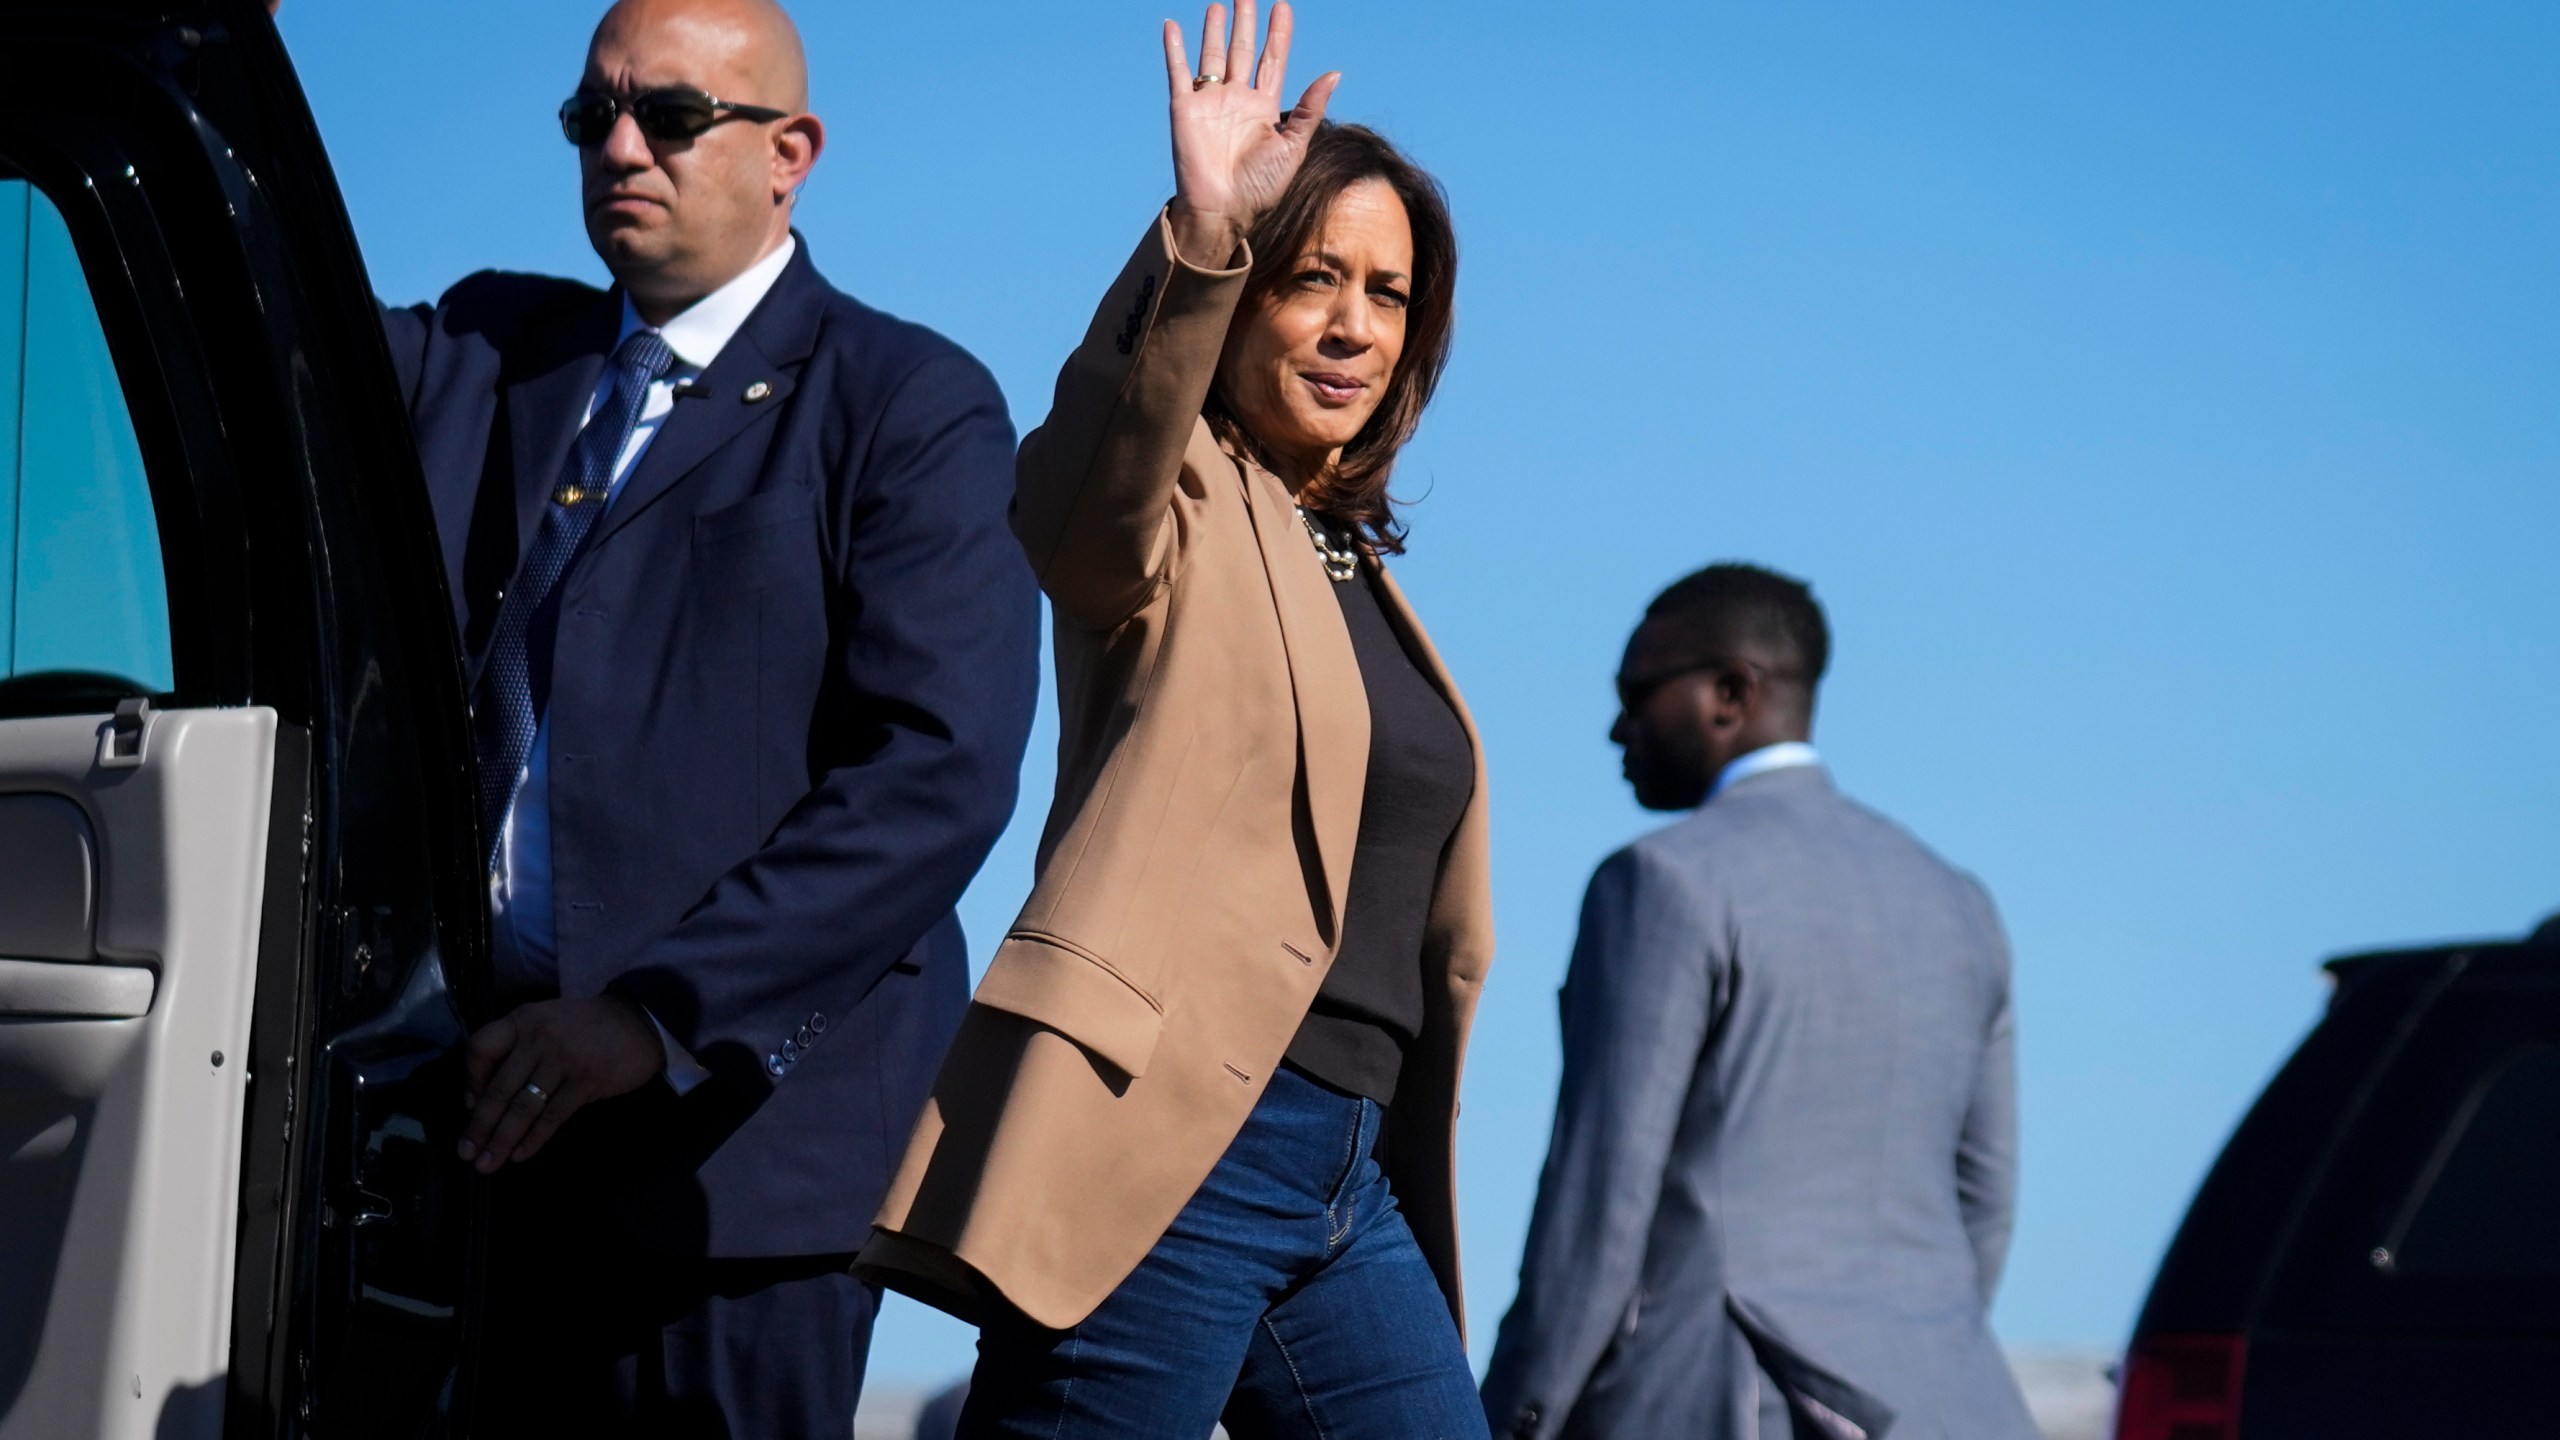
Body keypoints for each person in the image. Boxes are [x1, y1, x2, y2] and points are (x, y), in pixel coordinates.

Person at [375, 0, 1040, 1431]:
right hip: (481, 1147)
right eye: (589, 117)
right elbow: (251, 337)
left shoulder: (907, 405)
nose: (620, 147)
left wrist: (654, 1017)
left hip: (736, 1181)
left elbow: (936, 774)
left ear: (791, 151)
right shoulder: (492, 352)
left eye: (671, 117)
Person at [856, 4, 1492, 1436]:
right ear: (1244, 295)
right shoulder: (1174, 497)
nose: (1353, 326)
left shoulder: (1355, 567)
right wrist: (1200, 231)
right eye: (1312, 277)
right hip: (1171, 1137)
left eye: (1389, 294)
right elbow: (1085, 494)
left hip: (1343, 1169)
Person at [1478, 564, 2038, 1440]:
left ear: (1732, 693)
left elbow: (1599, 1205)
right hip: (1953, 1403)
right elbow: (1986, 1195)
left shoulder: (1662, 883)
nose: (1617, 726)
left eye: (1639, 691)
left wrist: (1516, 1415)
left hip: (1720, 1398)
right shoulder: (1958, 901)